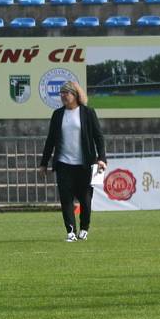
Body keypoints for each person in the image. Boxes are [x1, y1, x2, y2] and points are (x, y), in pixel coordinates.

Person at [38, 81, 106, 242]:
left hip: (85, 164)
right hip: (63, 164)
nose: (63, 96)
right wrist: (44, 163)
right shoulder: (57, 114)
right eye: (61, 93)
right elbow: (50, 140)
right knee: (66, 199)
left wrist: (102, 159)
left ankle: (84, 228)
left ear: (75, 95)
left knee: (86, 200)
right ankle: (71, 232)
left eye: (66, 93)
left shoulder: (88, 113)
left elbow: (99, 137)